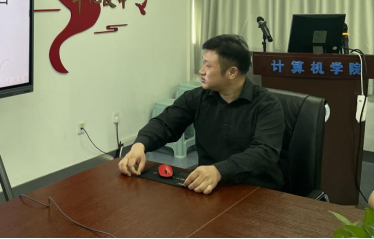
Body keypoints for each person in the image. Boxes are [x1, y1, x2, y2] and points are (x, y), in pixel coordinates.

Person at [118, 34, 285, 194]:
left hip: (257, 189)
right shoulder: (197, 97)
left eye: (208, 66)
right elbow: (165, 123)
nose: (201, 71)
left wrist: (219, 170)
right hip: (208, 186)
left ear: (232, 72)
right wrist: (139, 145)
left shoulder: (267, 105)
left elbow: (265, 152)